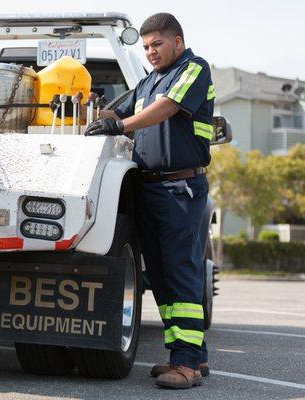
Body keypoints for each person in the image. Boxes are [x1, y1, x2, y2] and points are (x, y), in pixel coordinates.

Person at [85, 13, 215, 389]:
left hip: (181, 189)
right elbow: (118, 112)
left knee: (182, 272)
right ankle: (192, 354)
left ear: (177, 41)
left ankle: (186, 365)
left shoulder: (194, 69)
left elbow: (167, 108)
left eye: (157, 44)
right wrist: (97, 108)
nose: (151, 51)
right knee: (159, 275)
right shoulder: (148, 81)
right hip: (149, 188)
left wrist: (121, 125)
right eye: (145, 47)